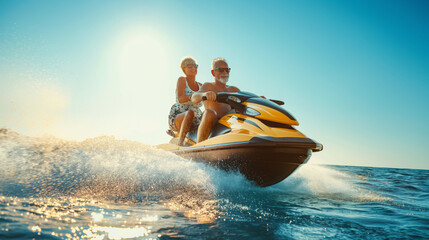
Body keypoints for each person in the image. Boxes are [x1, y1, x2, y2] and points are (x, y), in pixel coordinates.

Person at [191, 57, 240, 142]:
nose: (224, 72)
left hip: (228, 124)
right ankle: (200, 146)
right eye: (221, 70)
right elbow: (194, 98)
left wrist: (259, 99)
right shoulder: (208, 86)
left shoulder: (234, 89)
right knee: (210, 113)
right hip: (212, 124)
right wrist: (204, 94)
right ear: (213, 72)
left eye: (227, 70)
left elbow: (247, 100)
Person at [168, 56, 203, 146]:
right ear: (184, 70)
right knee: (190, 113)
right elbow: (180, 98)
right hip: (180, 115)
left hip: (196, 118)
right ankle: (180, 143)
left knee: (209, 113)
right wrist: (192, 96)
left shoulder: (201, 86)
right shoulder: (182, 80)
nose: (193, 68)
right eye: (190, 66)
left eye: (195, 66)